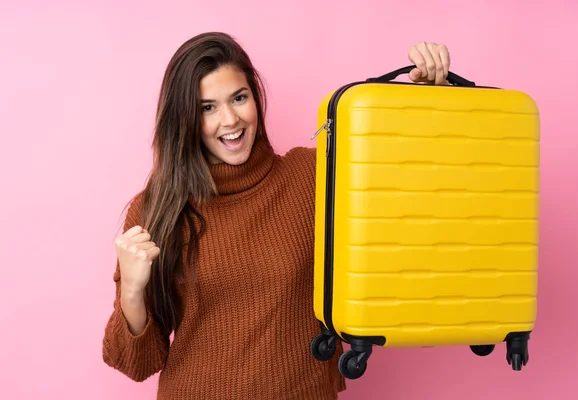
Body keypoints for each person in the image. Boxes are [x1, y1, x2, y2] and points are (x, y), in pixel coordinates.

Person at [102, 32, 453, 399]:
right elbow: (137, 364)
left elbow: (412, 191)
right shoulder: (156, 209)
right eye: (208, 107)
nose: (230, 119)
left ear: (254, 97)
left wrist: (428, 100)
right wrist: (131, 289)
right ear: (185, 118)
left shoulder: (313, 176)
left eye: (239, 98)